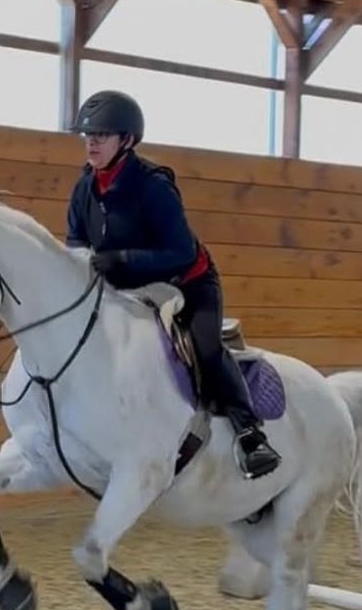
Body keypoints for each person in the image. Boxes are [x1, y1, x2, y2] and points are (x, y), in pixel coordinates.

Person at [64, 89, 281, 481]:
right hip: (125, 290)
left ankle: (250, 434)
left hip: (186, 284)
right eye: (87, 135)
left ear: (126, 140)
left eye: (102, 134)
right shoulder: (84, 188)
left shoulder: (152, 186)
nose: (91, 142)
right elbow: (76, 241)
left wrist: (123, 260)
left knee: (206, 347)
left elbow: (180, 250)